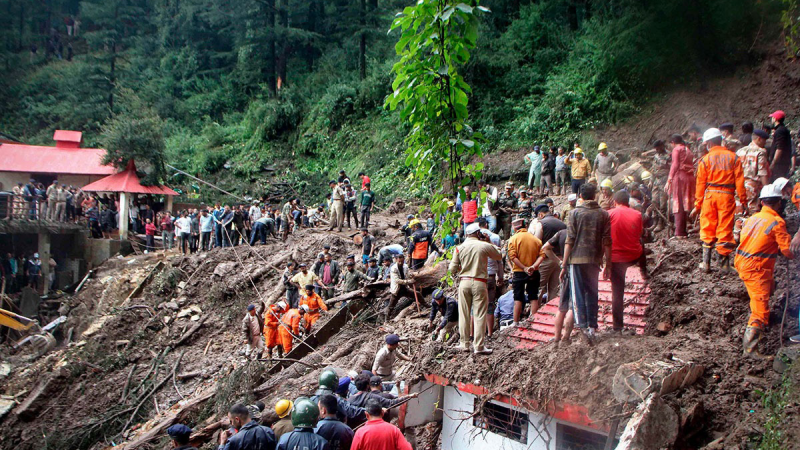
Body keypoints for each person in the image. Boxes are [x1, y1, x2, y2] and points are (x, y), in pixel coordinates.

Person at [734, 184, 794, 359]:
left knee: (768, 289)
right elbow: (787, 251)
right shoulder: (777, 222)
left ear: (761, 202)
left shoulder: (754, 217)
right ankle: (751, 349)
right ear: (779, 204)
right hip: (756, 267)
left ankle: (764, 321)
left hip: (743, 261)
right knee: (760, 307)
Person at [560, 183, 611, 344]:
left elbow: (570, 240)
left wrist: (564, 264)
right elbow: (607, 241)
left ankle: (582, 328)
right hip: (594, 259)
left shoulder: (574, 213)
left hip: (576, 259)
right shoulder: (603, 214)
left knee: (578, 295)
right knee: (592, 293)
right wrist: (607, 263)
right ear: (595, 195)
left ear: (580, 196)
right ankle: (592, 327)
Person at [691, 128, 747, 273]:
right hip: (726, 196)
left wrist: (698, 205)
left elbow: (700, 184)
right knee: (725, 228)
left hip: (709, 196)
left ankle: (706, 264)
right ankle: (724, 265)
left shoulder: (705, 160)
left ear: (709, 142)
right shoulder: (734, 158)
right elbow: (740, 183)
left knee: (708, 227)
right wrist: (743, 201)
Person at [448, 222, 503, 354]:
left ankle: (464, 344)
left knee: (464, 313)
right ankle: (478, 346)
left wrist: (461, 268)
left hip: (464, 282)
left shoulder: (459, 248)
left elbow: (451, 269)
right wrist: (489, 241)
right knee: (479, 314)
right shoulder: (483, 246)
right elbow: (499, 255)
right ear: (478, 233)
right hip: (479, 282)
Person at [608, 190, 646, 332]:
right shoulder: (637, 214)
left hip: (615, 259)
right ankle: (644, 270)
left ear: (615, 202)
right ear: (627, 202)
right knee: (641, 243)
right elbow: (639, 234)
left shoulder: (609, 214)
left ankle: (618, 326)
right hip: (633, 256)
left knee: (617, 291)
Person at [507, 218, 542, 325]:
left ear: (514, 228)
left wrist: (524, 268)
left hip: (519, 272)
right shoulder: (536, 240)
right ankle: (534, 321)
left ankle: (516, 322)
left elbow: (512, 257)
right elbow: (542, 255)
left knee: (518, 297)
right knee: (533, 296)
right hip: (534, 271)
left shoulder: (513, 239)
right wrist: (533, 266)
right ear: (525, 226)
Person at [530, 205, 566, 305]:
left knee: (539, 287)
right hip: (560, 260)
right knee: (554, 288)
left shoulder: (541, 224)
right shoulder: (562, 224)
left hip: (545, 259)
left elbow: (536, 243)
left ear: (540, 214)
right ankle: (551, 313)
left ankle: (535, 314)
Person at [665, 134, 695, 238]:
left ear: (673, 142)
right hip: (689, 178)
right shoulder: (688, 150)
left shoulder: (676, 150)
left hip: (680, 177)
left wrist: (669, 179)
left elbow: (675, 164)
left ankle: (679, 232)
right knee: (684, 203)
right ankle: (683, 230)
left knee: (678, 204)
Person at [478, 219, 503, 337]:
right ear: (486, 225)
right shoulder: (496, 238)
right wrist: (501, 276)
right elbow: (499, 259)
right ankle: (490, 333)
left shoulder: (473, 239)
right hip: (491, 275)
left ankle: (475, 334)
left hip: (477, 276)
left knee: (476, 306)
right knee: (490, 305)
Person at [736, 129, 770, 215]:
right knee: (753, 213)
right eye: (764, 140)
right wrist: (767, 190)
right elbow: (762, 173)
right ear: (759, 139)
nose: (765, 143)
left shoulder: (740, 151)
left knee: (739, 212)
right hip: (752, 187)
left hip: (739, 186)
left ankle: (738, 228)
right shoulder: (761, 152)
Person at [387, 254, 414, 322]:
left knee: (417, 294)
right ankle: (387, 318)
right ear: (396, 260)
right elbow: (397, 280)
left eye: (402, 261)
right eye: (399, 260)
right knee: (391, 306)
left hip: (404, 288)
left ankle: (426, 305)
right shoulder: (393, 268)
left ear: (403, 259)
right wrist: (409, 281)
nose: (400, 262)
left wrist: (410, 275)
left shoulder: (405, 266)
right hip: (397, 290)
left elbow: (407, 274)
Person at [769, 110, 793, 181]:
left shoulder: (780, 131)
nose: (771, 119)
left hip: (779, 165)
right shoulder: (783, 130)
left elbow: (779, 148)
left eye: (772, 117)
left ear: (775, 119)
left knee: (777, 183)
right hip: (783, 163)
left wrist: (773, 163)